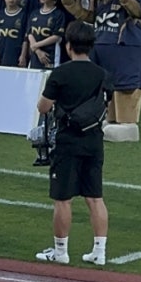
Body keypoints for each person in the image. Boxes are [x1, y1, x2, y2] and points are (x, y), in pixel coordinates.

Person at [35, 20, 109, 267]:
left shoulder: (61, 73)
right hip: (94, 140)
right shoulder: (101, 74)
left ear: (68, 46)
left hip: (68, 141)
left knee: (63, 198)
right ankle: (99, 251)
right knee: (95, 197)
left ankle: (61, 251)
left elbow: (43, 106)